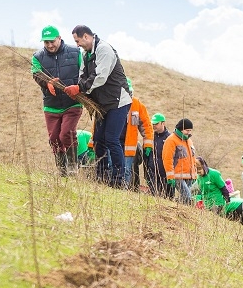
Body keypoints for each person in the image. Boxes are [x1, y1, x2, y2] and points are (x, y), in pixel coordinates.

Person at [67, 26, 131, 187]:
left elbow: (100, 77)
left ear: (86, 36)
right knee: (98, 140)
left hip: (118, 101)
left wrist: (81, 89)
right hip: (102, 104)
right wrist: (77, 88)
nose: (77, 45)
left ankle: (118, 180)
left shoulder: (104, 50)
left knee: (111, 139)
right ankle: (101, 176)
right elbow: (83, 75)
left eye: (78, 41)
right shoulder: (86, 54)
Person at [30, 25, 83, 176]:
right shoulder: (37, 57)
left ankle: (73, 165)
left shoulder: (75, 52)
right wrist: (46, 82)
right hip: (51, 105)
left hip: (72, 102)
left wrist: (79, 88)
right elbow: (35, 73)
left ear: (59, 38)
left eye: (52, 41)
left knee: (66, 133)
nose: (50, 45)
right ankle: (62, 169)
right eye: (46, 42)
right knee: (54, 138)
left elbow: (84, 72)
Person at [123, 80, 152, 190]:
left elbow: (146, 126)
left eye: (130, 92)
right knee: (113, 168)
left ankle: (124, 192)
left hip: (130, 146)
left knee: (127, 170)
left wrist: (148, 144)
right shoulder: (113, 101)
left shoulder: (137, 105)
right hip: (114, 144)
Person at [162, 118, 197, 203]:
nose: (189, 133)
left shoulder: (189, 141)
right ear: (180, 129)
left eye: (190, 130)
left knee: (185, 199)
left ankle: (181, 212)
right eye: (187, 130)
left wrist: (194, 174)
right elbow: (167, 159)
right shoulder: (171, 140)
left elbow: (192, 158)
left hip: (189, 177)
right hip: (177, 176)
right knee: (187, 197)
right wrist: (170, 176)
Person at [147, 113, 170, 197]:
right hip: (152, 171)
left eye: (156, 124)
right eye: (153, 124)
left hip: (165, 173)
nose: (154, 126)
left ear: (163, 123)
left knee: (167, 197)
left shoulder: (169, 138)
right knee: (153, 196)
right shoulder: (150, 137)